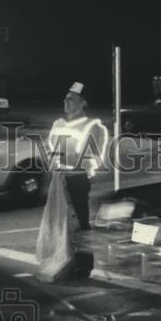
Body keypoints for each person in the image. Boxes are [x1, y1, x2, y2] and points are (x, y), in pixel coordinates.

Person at [35, 82, 109, 281]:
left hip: (77, 179)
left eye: (71, 99)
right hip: (58, 178)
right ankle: (63, 260)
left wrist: (67, 159)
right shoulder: (58, 124)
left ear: (83, 103)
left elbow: (92, 157)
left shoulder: (93, 127)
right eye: (65, 98)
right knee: (58, 222)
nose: (66, 102)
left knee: (79, 223)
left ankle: (84, 266)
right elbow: (51, 151)